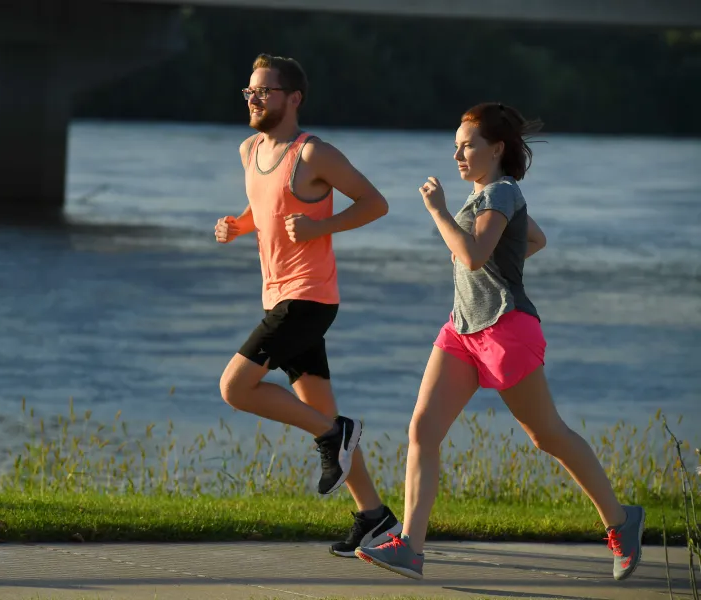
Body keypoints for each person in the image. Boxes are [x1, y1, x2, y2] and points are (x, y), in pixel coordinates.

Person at [355, 102, 645, 581]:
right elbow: (535, 239)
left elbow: (470, 256)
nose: (458, 155)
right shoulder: (489, 197)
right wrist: (502, 251)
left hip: (506, 328)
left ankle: (620, 519)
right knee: (422, 431)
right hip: (462, 329)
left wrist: (438, 212)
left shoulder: (503, 192)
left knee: (546, 434)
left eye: (467, 145)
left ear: (497, 148)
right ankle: (410, 547)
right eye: (455, 146)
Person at [215, 53, 402, 557]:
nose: (253, 99)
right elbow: (267, 206)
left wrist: (321, 226)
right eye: (249, 91)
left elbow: (374, 203)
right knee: (319, 407)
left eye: (264, 91)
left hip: (309, 299)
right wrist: (239, 224)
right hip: (277, 295)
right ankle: (375, 516)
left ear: (293, 98)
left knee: (235, 387)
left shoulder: (313, 154)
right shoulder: (249, 150)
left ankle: (334, 434)